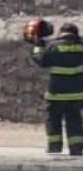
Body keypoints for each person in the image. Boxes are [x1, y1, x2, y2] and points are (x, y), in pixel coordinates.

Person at [31, 22, 83, 155]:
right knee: (74, 120)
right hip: (77, 94)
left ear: (61, 33)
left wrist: (38, 46)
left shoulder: (53, 46)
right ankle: (76, 148)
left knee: (53, 119)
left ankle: (54, 147)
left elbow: (41, 62)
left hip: (56, 93)